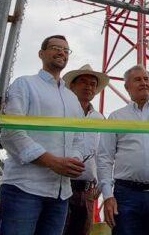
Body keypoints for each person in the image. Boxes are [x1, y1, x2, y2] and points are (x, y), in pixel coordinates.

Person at [0, 35, 86, 235]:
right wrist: (52, 162)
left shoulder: (72, 98)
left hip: (61, 194)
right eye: (55, 47)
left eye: (65, 50)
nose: (61, 52)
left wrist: (73, 161)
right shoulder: (24, 85)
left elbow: (80, 138)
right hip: (24, 188)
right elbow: (11, 133)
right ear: (41, 54)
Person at [98, 65, 149, 235]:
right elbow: (105, 158)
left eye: (146, 79)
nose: (144, 83)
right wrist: (107, 196)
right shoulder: (115, 117)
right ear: (127, 87)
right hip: (126, 195)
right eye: (137, 79)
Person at [62, 64, 109, 235]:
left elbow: (104, 154)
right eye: (83, 81)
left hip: (88, 191)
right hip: (61, 186)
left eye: (92, 83)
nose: (88, 86)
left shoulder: (100, 118)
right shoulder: (62, 112)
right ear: (72, 85)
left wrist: (103, 182)